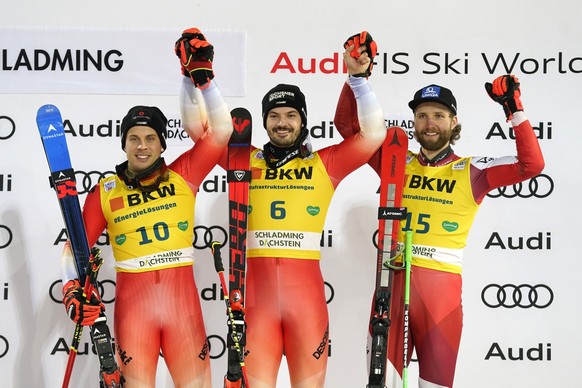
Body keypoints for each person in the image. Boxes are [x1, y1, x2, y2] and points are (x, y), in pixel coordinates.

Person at [180, 32, 386, 387]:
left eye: (291, 115)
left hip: (305, 306)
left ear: (303, 120)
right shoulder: (244, 160)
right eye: (274, 116)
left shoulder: (325, 164)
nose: (282, 123)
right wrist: (194, 77)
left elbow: (373, 135)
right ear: (264, 122)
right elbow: (199, 130)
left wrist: (358, 79)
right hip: (256, 308)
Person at [334, 75, 545, 387]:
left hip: (440, 301)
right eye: (422, 116)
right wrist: (356, 77)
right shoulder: (395, 162)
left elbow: (532, 165)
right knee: (382, 385)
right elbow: (348, 127)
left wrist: (514, 109)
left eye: (438, 115)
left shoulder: (474, 171)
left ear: (453, 121)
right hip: (391, 290)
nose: (429, 123)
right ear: (414, 123)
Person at [59, 28, 232, 387]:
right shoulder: (105, 190)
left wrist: (197, 78)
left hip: (182, 312)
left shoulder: (184, 173)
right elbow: (72, 249)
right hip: (134, 315)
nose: (142, 146)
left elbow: (221, 130)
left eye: (150, 138)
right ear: (124, 144)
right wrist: (70, 290)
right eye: (134, 139)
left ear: (162, 144)